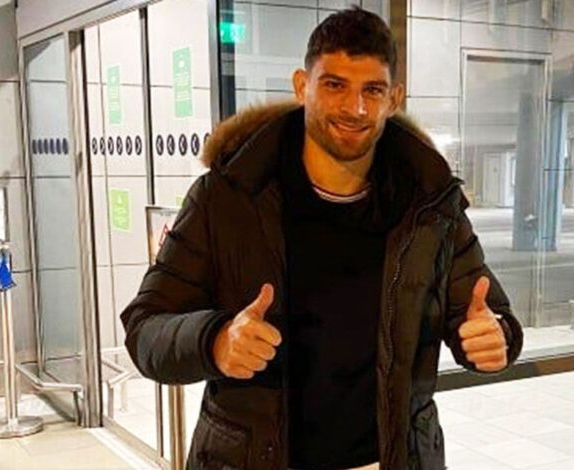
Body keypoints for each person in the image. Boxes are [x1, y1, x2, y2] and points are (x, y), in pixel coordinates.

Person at [120, 6, 523, 470]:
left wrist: (496, 338)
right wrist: (214, 341)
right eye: (334, 85)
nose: (355, 108)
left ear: (393, 98)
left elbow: (489, 315)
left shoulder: (429, 204)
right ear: (301, 86)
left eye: (372, 90)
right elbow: (145, 327)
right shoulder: (228, 197)